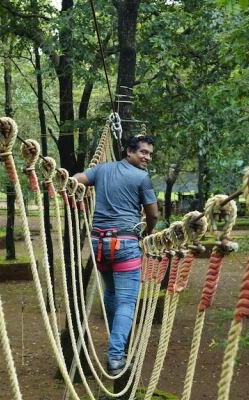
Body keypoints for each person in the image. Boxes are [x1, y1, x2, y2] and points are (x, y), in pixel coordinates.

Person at [74, 134, 159, 374]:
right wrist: (146, 234)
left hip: (99, 245)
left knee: (111, 292)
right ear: (129, 151)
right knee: (126, 303)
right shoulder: (142, 178)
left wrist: (66, 181)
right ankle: (115, 357)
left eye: (150, 154)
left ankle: (117, 346)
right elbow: (152, 215)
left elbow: (76, 180)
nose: (147, 158)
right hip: (125, 245)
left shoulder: (101, 170)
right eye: (143, 152)